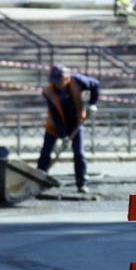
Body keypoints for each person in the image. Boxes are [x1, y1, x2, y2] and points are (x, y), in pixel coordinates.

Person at [37, 65, 100, 193]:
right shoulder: (49, 91)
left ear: (66, 79)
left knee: (79, 153)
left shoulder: (78, 81)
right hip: (55, 126)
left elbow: (96, 85)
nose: (56, 84)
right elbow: (55, 115)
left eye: (58, 81)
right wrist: (64, 135)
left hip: (76, 123)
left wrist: (92, 104)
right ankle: (37, 181)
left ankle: (82, 183)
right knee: (45, 153)